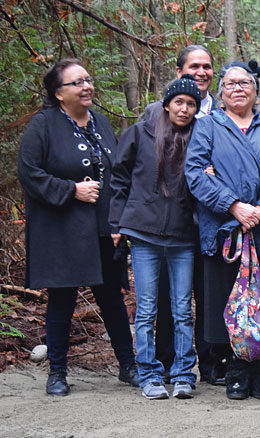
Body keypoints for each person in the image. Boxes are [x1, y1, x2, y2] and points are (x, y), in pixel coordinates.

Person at [17, 58, 138, 396]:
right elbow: (30, 174)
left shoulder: (99, 122)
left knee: (111, 298)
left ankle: (128, 365)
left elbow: (117, 175)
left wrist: (118, 221)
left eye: (88, 79)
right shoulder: (43, 125)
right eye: (77, 82)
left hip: (103, 228)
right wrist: (71, 190)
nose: (87, 86)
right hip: (61, 229)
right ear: (58, 93)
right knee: (62, 300)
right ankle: (57, 373)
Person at [185, 60, 260, 401]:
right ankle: (235, 370)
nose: (238, 88)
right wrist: (234, 205)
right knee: (229, 304)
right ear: (221, 91)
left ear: (256, 91)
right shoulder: (207, 127)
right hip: (225, 232)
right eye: (231, 83)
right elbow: (195, 173)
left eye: (245, 83)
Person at [110, 75, 202, 399]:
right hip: (143, 232)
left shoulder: (199, 138)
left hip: (182, 236)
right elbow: (119, 177)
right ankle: (148, 373)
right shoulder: (140, 132)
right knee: (147, 308)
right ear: (166, 104)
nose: (185, 108)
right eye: (179, 102)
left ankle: (182, 374)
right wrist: (115, 223)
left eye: (191, 104)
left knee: (182, 310)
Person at [142, 45, 225, 386]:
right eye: (194, 66)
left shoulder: (222, 113)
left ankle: (209, 361)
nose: (202, 72)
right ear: (179, 72)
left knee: (207, 292)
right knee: (166, 295)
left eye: (207, 66)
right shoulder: (153, 114)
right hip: (168, 217)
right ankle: (164, 360)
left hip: (209, 218)